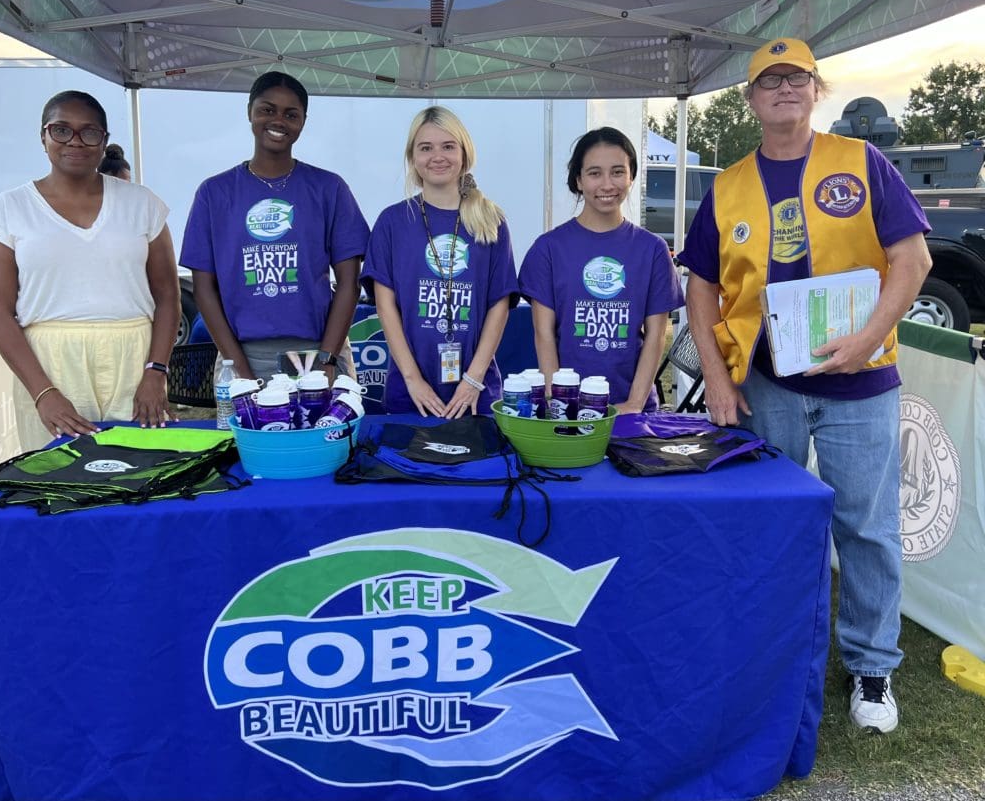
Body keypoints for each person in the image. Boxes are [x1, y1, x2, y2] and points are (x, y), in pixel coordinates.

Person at [678, 37, 932, 734]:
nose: (783, 89)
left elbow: (912, 260)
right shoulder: (727, 185)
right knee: (776, 522)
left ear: (816, 90)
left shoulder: (863, 162)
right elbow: (701, 289)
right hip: (768, 383)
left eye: (796, 78)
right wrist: (722, 377)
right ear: (751, 99)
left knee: (867, 528)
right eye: (769, 80)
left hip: (863, 379)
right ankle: (775, 652)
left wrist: (868, 335)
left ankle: (872, 666)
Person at [0, 90, 180, 449]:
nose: (75, 141)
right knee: (60, 485)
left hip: (133, 358)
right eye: (61, 130)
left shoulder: (142, 203)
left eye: (89, 132)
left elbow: (168, 297)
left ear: (104, 142)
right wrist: (43, 393)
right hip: (49, 363)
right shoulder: (10, 208)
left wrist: (156, 373)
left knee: (136, 477)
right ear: (43, 137)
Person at [180, 72, 369, 384]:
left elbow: (350, 283)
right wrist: (238, 368)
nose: (278, 120)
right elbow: (204, 289)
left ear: (303, 121)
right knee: (247, 435)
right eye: (268, 109)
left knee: (323, 434)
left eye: (291, 114)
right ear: (250, 111)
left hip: (319, 352)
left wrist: (328, 360)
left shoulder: (328, 188)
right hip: (242, 353)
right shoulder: (215, 192)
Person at [362, 106, 519, 417]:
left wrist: (473, 381)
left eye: (448, 146)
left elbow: (498, 306)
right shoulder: (392, 221)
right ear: (413, 157)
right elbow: (385, 306)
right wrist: (413, 379)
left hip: (475, 393)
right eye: (426, 148)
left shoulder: (491, 221)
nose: (438, 156)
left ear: (464, 153)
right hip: (411, 392)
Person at [519, 126, 683, 413]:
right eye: (595, 173)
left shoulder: (653, 249)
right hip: (568, 411)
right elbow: (543, 334)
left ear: (631, 176)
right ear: (579, 180)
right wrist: (558, 402)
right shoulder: (548, 249)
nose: (607, 184)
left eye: (617, 172)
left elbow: (656, 336)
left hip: (633, 409)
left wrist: (633, 404)